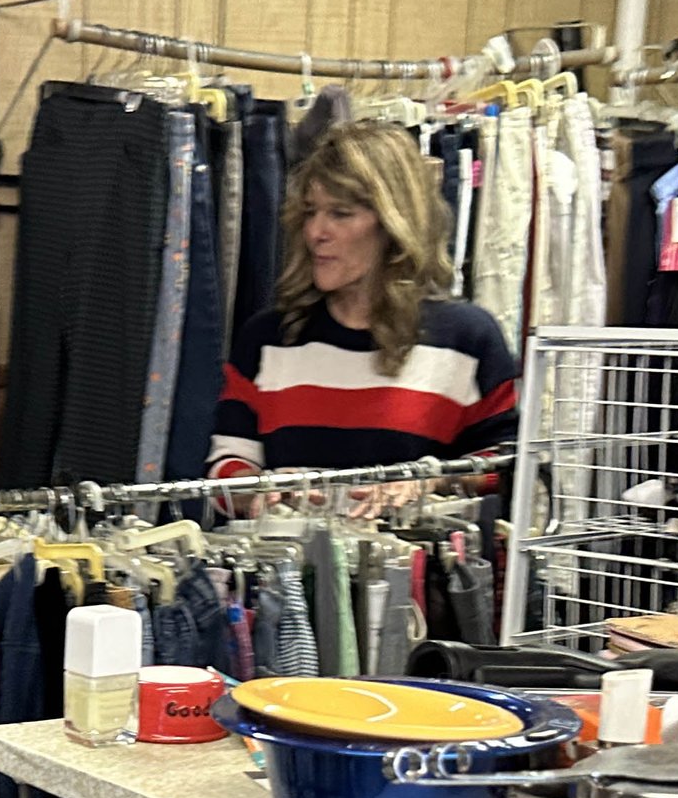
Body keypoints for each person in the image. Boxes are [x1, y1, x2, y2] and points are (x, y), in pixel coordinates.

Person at [209, 121, 517, 509]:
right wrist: (258, 490)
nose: (316, 231)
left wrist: (429, 481)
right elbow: (225, 467)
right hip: (287, 563)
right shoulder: (269, 338)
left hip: (419, 564)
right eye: (309, 212)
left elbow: (508, 466)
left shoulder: (468, 339)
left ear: (393, 223)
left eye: (340, 213)